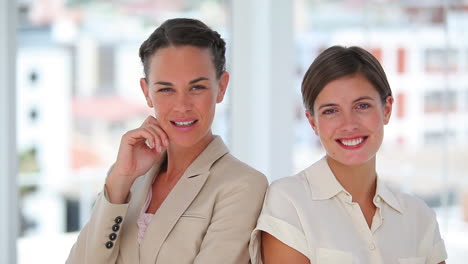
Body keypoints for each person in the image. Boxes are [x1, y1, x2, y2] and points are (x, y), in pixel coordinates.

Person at [67, 18, 268, 264]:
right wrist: (121, 178)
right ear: (146, 92)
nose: (182, 106)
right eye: (165, 89)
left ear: (222, 87)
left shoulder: (243, 185)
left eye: (197, 88)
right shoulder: (128, 178)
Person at [250, 46, 447, 264]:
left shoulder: (419, 217)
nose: (349, 124)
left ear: (387, 109)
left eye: (362, 106)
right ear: (313, 122)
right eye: (331, 111)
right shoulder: (288, 202)